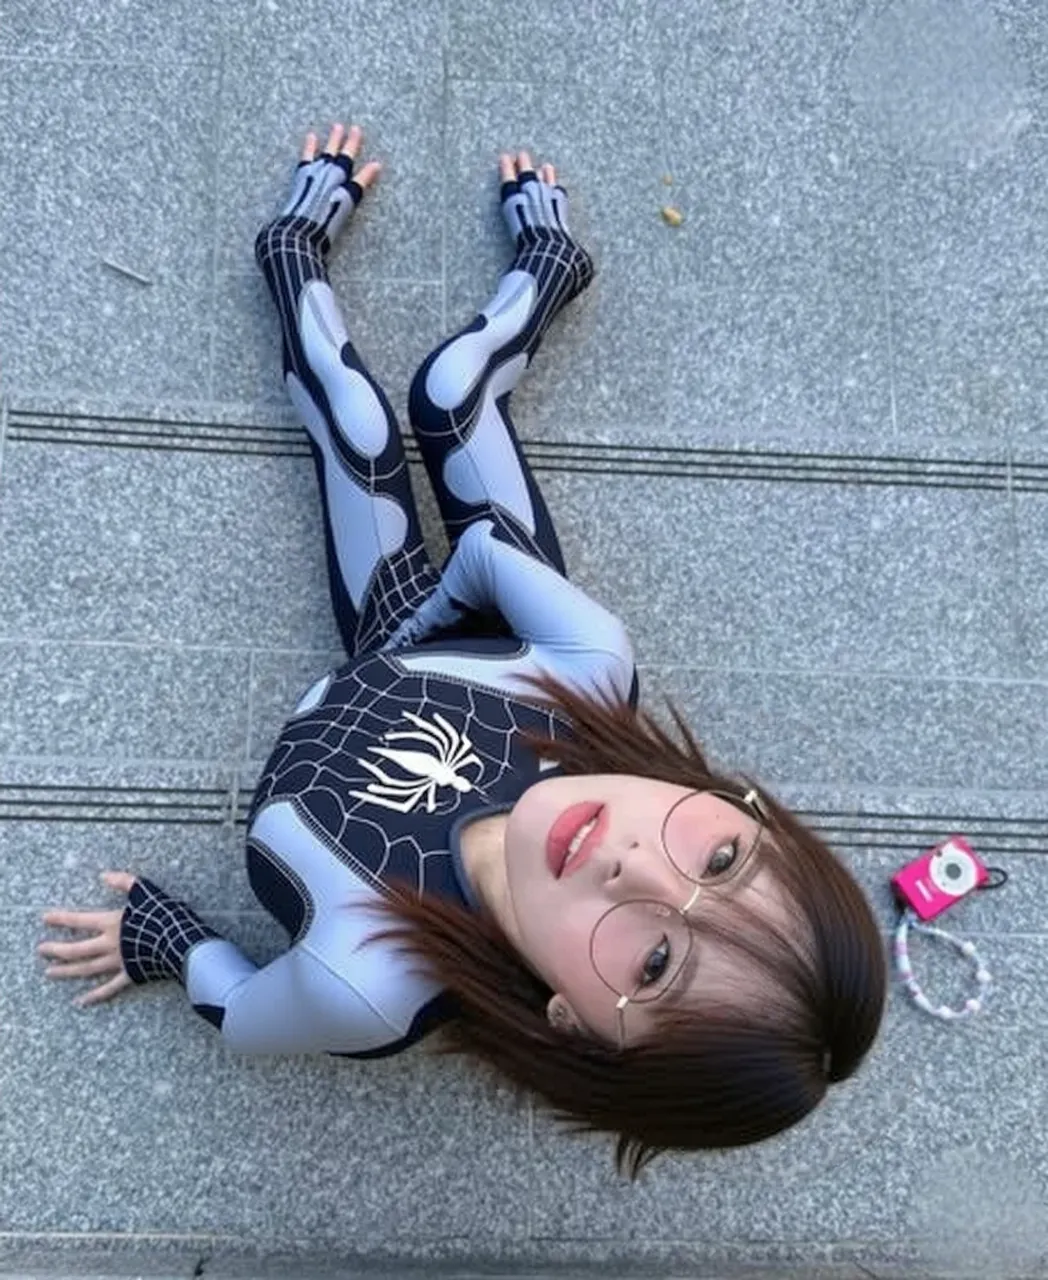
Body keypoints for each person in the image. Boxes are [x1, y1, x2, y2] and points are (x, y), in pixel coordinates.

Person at [38, 123, 887, 1177]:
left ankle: (290, 250)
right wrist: (413, 636)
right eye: (721, 857)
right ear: (746, 807)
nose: (635, 865)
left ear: (578, 1028)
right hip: (455, 649)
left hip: (408, 668)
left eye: (657, 961)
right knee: (449, 394)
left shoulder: (365, 978)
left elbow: (245, 1009)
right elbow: (484, 553)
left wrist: (167, 941)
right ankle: (543, 265)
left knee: (359, 424)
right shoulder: (587, 664)